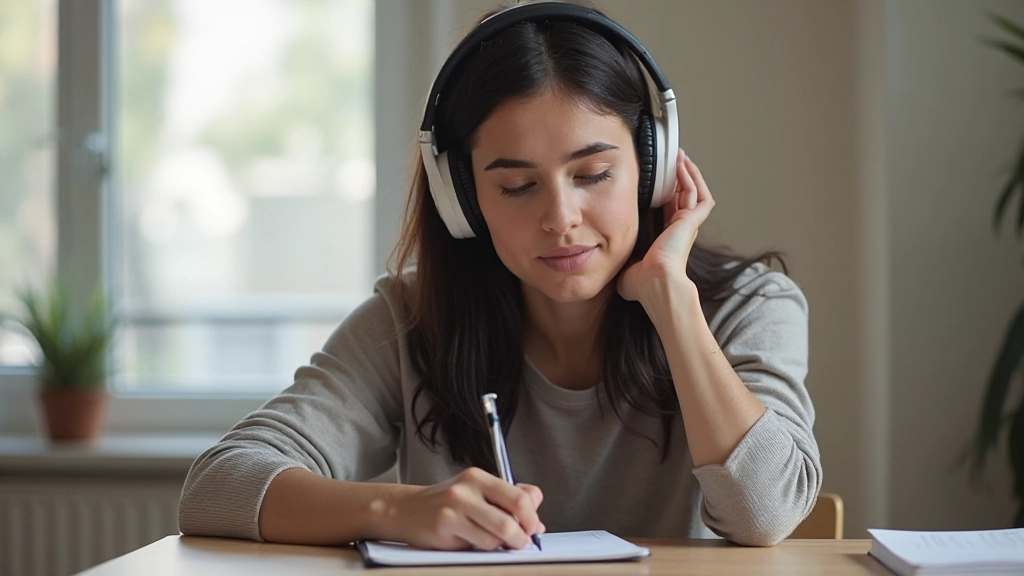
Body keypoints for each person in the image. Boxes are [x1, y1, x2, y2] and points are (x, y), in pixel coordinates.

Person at [178, 1, 821, 550]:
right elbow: (217, 488)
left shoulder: (751, 305)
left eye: (594, 175)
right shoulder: (412, 320)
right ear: (462, 199)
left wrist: (672, 302)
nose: (561, 219)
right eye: (517, 186)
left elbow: (765, 514)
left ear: (651, 169)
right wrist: (399, 510)